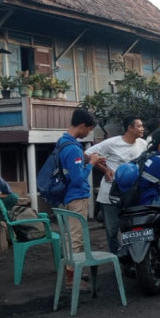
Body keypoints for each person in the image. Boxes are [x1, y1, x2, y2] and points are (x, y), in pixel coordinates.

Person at [86, 115, 147, 254]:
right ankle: (116, 258)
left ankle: (132, 256)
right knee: (112, 229)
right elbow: (88, 155)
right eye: (139, 126)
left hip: (132, 194)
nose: (142, 128)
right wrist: (105, 169)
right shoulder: (112, 143)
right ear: (130, 128)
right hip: (110, 194)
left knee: (132, 226)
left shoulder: (143, 144)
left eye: (142, 126)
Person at [58, 109, 104, 288]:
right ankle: (71, 280)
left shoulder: (63, 142)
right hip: (77, 197)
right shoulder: (73, 149)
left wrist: (89, 160)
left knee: (72, 236)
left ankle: (75, 272)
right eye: (90, 129)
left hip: (68, 196)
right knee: (75, 238)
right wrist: (91, 164)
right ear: (83, 126)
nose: (89, 133)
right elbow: (78, 179)